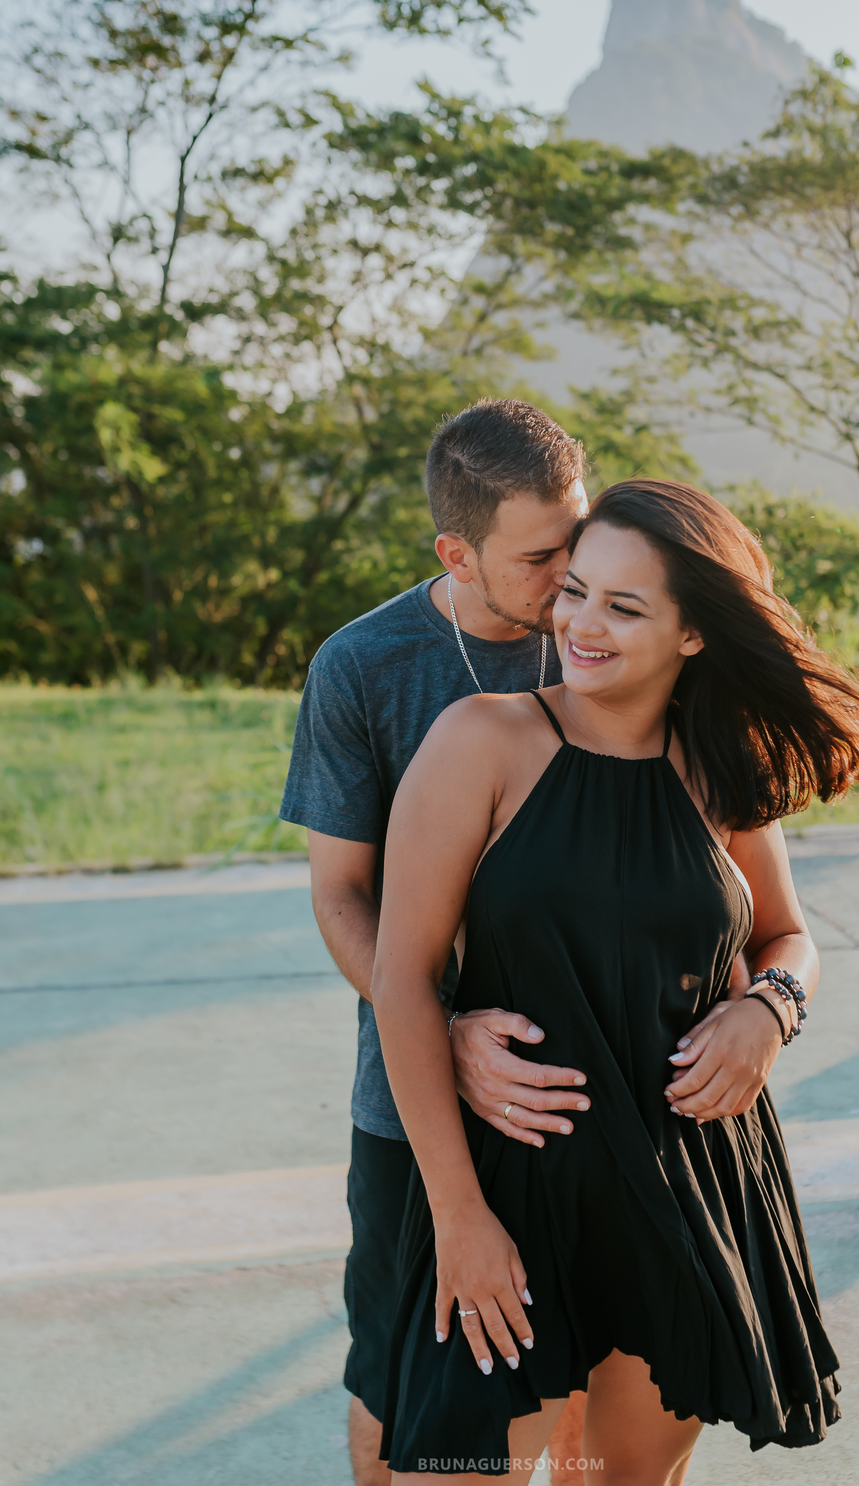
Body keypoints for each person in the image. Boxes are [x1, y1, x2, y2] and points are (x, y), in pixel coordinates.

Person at [372, 478, 859, 1481]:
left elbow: (789, 936)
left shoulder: (722, 760)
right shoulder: (483, 742)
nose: (581, 624)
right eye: (575, 591)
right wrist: (457, 1215)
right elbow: (401, 980)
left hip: (687, 1181)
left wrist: (768, 1010)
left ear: (695, 634)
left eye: (625, 606)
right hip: (513, 1186)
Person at [280, 399, 600, 1485]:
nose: (572, 574)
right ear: (456, 552)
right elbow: (340, 895)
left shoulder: (607, 633)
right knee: (403, 1372)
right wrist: (439, 1023)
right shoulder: (364, 667)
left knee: (576, 1367)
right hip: (412, 1097)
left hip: (587, 1081)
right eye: (541, 554)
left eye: (581, 536)